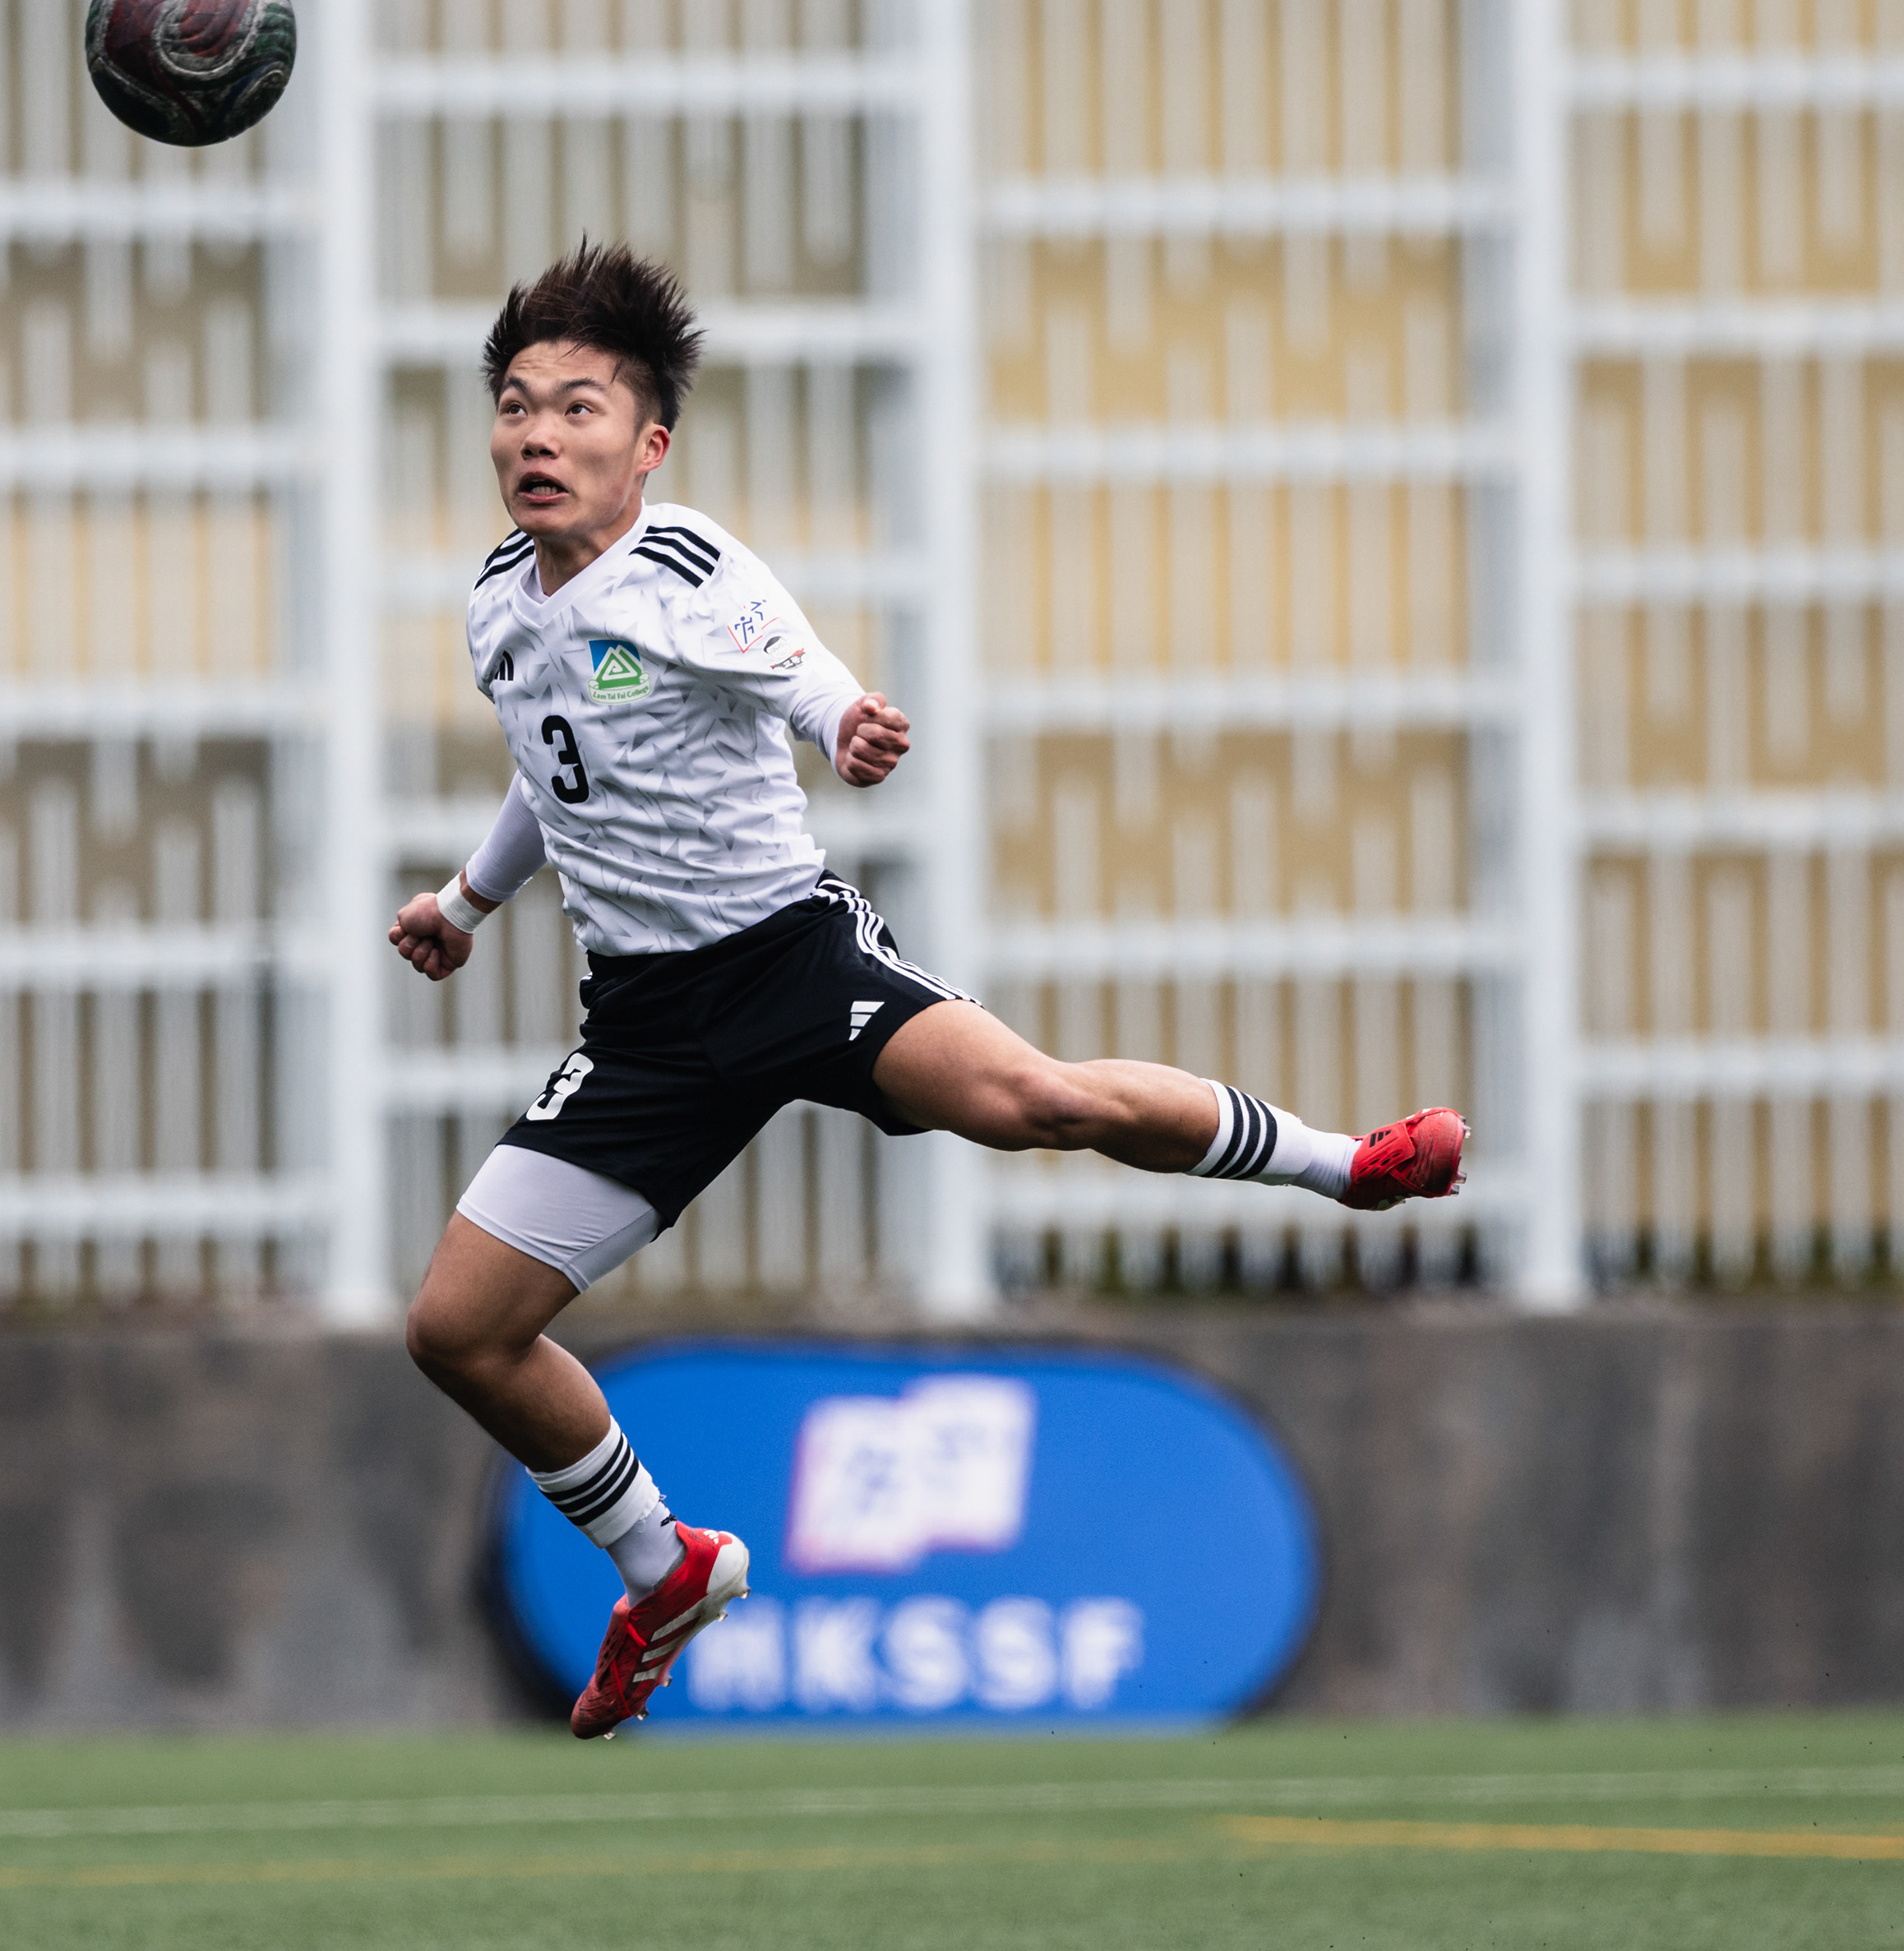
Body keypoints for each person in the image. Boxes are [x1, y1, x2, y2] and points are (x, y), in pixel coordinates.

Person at [390, 243, 1465, 1739]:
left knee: (1037, 1101)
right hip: (642, 1023)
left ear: (650, 445)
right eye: (513, 407)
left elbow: (801, 672)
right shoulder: (503, 599)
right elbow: (549, 765)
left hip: (788, 962)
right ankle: (667, 1567)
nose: (534, 436)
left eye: (577, 409)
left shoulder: (688, 570)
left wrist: (848, 727)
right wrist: (465, 901)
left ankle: (1351, 1167)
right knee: (458, 1328)